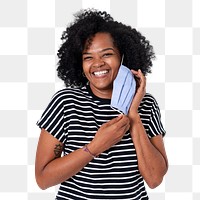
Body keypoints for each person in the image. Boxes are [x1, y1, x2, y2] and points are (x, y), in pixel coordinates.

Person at [35, 9, 168, 200]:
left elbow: (155, 179)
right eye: (88, 57)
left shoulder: (146, 104)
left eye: (106, 54)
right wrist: (95, 147)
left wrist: (133, 116)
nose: (97, 64)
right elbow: (43, 180)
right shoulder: (65, 103)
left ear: (123, 56)